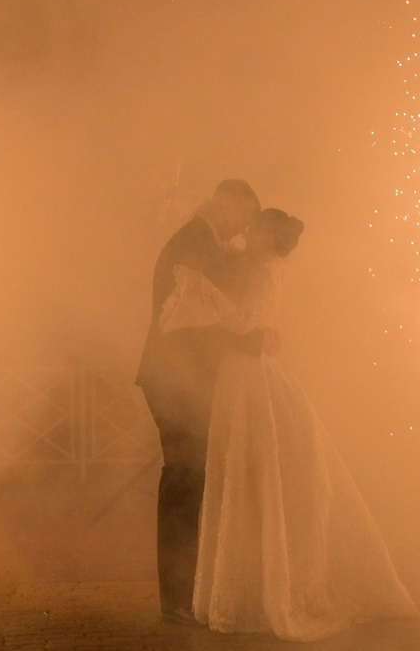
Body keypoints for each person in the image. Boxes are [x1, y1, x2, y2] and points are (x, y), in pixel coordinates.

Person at [163, 208, 416, 640]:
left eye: (256, 228)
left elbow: (246, 322)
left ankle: (257, 585)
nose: (247, 230)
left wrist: (200, 290)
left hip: (248, 375)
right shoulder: (257, 265)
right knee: (242, 471)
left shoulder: (265, 272)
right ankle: (249, 581)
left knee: (250, 471)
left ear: (269, 238)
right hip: (240, 371)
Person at [136, 178, 267, 626]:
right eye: (243, 218)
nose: (242, 230)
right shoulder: (194, 242)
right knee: (185, 479)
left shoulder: (199, 241)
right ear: (226, 205)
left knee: (190, 478)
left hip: (182, 379)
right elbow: (201, 316)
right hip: (176, 380)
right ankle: (177, 595)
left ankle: (185, 590)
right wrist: (249, 339)